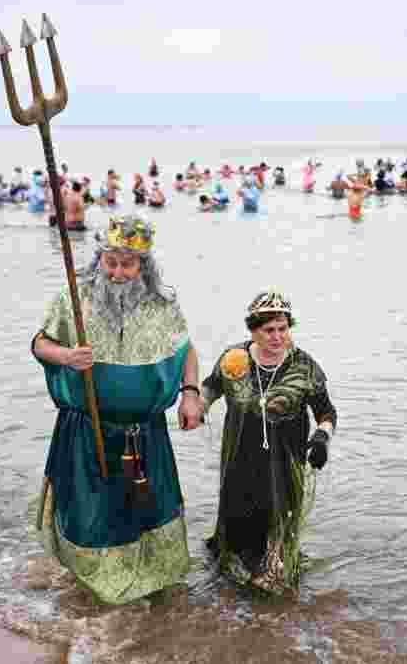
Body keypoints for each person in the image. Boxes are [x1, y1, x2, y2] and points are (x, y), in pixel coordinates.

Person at [30, 214, 204, 605]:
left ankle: (151, 586)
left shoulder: (163, 304)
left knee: (150, 511)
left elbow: (185, 349)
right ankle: (97, 592)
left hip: (147, 432)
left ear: (144, 265)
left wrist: (191, 393)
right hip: (86, 430)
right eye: (112, 262)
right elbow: (40, 344)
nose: (119, 273)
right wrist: (67, 356)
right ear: (100, 260)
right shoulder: (75, 299)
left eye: (128, 264)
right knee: (93, 516)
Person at [200, 289, 337, 595]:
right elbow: (210, 388)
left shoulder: (305, 367)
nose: (277, 337)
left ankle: (275, 593)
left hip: (284, 464)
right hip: (238, 461)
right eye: (269, 330)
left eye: (283, 329)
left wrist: (321, 438)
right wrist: (199, 405)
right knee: (235, 540)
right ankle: (230, 603)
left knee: (278, 540)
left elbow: (326, 411)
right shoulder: (233, 359)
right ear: (253, 331)